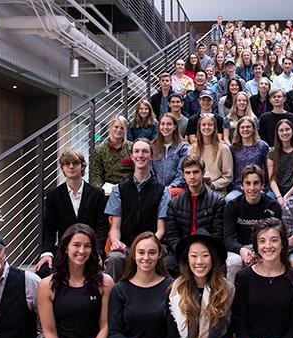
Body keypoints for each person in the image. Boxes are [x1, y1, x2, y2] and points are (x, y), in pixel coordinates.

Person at [36, 149, 109, 277]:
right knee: (44, 270)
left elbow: (101, 227)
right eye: (66, 163)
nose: (71, 166)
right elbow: (49, 228)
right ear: (62, 168)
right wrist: (47, 253)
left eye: (75, 163)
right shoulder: (53, 195)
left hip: (89, 248)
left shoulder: (97, 194)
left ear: (82, 166)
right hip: (64, 248)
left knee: (96, 272)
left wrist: (97, 251)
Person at [105, 140, 171, 281]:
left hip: (153, 245)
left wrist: (146, 247)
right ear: (132, 156)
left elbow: (161, 230)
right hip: (126, 247)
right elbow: (115, 227)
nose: (140, 155)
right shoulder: (119, 190)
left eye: (145, 151)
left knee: (163, 258)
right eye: (137, 151)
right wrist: (116, 242)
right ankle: (113, 300)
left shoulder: (163, 191)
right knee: (114, 258)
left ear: (151, 156)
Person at [164, 158, 227, 272]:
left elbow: (218, 234)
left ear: (203, 173)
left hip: (208, 251)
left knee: (220, 267)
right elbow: (172, 235)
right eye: (188, 173)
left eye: (196, 172)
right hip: (182, 251)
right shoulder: (175, 203)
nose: (192, 176)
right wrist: (185, 252)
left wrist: (202, 252)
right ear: (183, 175)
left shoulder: (217, 201)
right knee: (166, 265)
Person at [225, 166, 283, 280]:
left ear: (262, 185)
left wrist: (259, 252)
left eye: (256, 183)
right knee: (234, 262)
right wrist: (241, 250)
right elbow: (228, 238)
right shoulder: (232, 206)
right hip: (239, 248)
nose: (252, 188)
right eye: (248, 183)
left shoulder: (273, 206)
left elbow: (277, 236)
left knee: (268, 258)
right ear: (242, 185)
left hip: (265, 247)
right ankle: (233, 296)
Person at [189, 114, 234, 197]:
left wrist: (212, 185)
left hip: (217, 191)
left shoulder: (223, 148)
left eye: (210, 125)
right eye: (203, 125)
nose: (207, 127)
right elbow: (188, 172)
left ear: (214, 128)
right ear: (199, 127)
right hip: (196, 189)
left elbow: (228, 176)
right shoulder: (192, 149)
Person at [229, 116, 271, 202]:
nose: (245, 129)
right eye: (242, 127)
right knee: (229, 199)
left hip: (258, 186)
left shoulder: (263, 146)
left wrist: (265, 186)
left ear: (253, 129)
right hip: (239, 187)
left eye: (248, 127)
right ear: (238, 130)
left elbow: (267, 170)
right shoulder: (233, 148)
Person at [90, 116, 134, 190]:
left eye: (122, 128)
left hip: (128, 190)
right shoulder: (100, 150)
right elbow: (96, 175)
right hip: (107, 191)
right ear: (110, 128)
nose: (119, 130)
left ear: (125, 131)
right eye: (116, 127)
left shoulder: (132, 148)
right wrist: (100, 191)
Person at [267, 119, 293, 205]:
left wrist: (287, 195)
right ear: (277, 133)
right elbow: (271, 178)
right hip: (276, 191)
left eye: (287, 129)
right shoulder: (272, 153)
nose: (284, 133)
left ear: (292, 131)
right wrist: (279, 196)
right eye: (281, 130)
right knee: (269, 200)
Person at [150, 114, 190, 192]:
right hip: (156, 189)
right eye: (162, 124)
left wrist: (170, 188)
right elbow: (151, 172)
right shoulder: (152, 146)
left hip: (176, 189)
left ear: (174, 127)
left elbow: (182, 173)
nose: (165, 127)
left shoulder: (183, 147)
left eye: (169, 124)